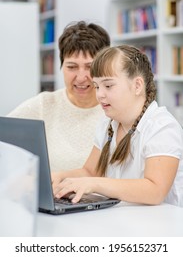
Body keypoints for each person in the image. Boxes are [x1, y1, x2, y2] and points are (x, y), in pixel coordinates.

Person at [52, 44, 183, 207]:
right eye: (97, 86)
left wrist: (95, 184)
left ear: (137, 86)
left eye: (108, 86)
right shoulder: (107, 125)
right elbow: (90, 172)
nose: (99, 94)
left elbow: (155, 190)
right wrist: (60, 177)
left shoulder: (162, 127)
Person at [7, 21, 110, 171]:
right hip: (54, 194)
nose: (81, 77)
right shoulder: (44, 105)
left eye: (90, 67)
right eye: (72, 67)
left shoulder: (117, 110)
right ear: (61, 66)